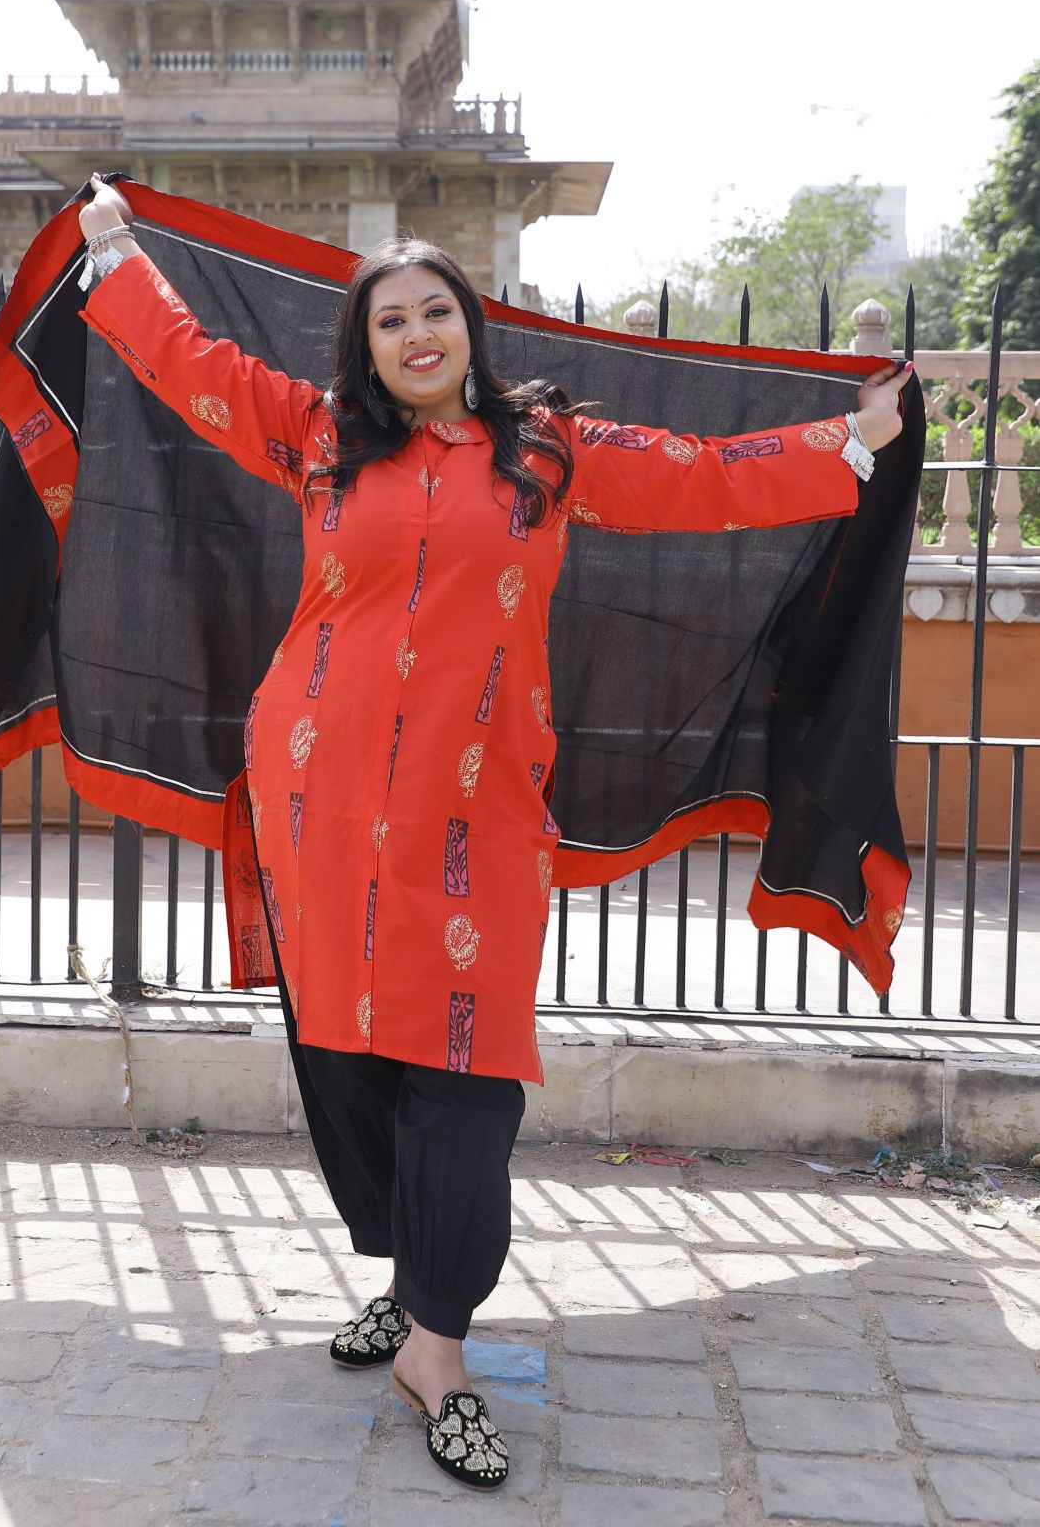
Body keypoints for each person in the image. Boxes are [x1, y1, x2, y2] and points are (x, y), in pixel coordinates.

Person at [75, 172, 908, 1492]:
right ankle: (412, 1290)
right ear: (364, 350)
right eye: (389, 321)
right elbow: (193, 366)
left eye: (434, 313)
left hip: (478, 803)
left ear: (468, 328)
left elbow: (691, 478)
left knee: (467, 1063)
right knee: (342, 1041)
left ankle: (438, 1339)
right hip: (319, 789)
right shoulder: (314, 436)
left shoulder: (541, 450)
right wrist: (115, 254)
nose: (415, 336)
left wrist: (843, 443)